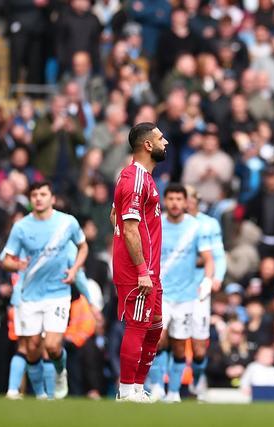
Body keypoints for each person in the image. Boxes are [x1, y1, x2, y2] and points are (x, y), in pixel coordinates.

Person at [0, 181, 88, 400]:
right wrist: (17, 264)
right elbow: (6, 259)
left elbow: (83, 246)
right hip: (29, 296)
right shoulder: (21, 227)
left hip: (57, 293)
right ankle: (40, 395)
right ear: (30, 199)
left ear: (52, 198)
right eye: (34, 195)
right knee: (31, 348)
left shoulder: (67, 222)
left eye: (43, 194)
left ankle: (60, 373)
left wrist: (74, 270)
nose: (38, 198)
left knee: (52, 346)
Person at [111, 122, 168, 402]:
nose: (165, 142)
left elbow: (115, 215)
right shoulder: (135, 179)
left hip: (149, 268)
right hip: (138, 271)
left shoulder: (142, 178)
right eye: (160, 138)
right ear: (147, 145)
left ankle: (137, 387)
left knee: (155, 326)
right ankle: (126, 391)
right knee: (137, 325)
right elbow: (130, 228)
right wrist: (141, 269)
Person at [146, 183, 214, 403]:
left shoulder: (196, 227)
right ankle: (157, 386)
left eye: (179, 199)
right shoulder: (156, 224)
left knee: (179, 345)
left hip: (186, 297)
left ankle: (174, 391)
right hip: (161, 294)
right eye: (171, 199)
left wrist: (207, 280)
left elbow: (209, 258)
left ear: (185, 202)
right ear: (165, 201)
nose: (175, 203)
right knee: (157, 339)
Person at [185, 185, 227, 399]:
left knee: (199, 342)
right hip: (174, 288)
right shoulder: (168, 222)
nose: (186, 202)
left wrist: (217, 277)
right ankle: (160, 385)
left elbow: (218, 254)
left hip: (200, 287)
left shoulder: (209, 224)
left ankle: (197, 378)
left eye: (189, 198)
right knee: (165, 337)